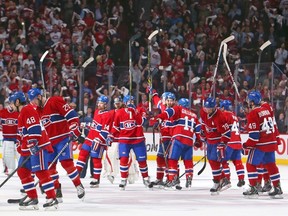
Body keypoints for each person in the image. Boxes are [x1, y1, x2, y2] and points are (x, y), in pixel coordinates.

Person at [27, 88, 85, 201]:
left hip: (62, 139)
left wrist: (74, 130)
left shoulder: (55, 101)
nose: (32, 103)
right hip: (49, 143)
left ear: (39, 97)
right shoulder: (37, 111)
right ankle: (57, 189)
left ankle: (78, 185)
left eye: (33, 100)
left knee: (66, 164)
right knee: (49, 168)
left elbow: (72, 116)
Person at [10, 91, 58, 210]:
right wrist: (20, 144)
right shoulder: (21, 113)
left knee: (40, 171)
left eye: (11, 103)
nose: (10, 106)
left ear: (17, 102)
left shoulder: (27, 110)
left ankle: (52, 198)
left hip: (38, 145)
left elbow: (35, 128)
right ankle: (32, 197)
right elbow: (23, 132)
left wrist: (33, 144)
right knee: (22, 171)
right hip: (29, 147)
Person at [153, 96, 202, 190]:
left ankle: (171, 180)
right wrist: (199, 141)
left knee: (172, 159)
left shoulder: (178, 108)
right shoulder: (194, 115)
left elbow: (169, 112)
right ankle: (189, 179)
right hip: (189, 140)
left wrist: (159, 118)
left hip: (178, 138)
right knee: (188, 161)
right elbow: (199, 129)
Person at [243, 91, 283, 199]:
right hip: (271, 142)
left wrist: (246, 145)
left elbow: (254, 137)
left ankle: (253, 188)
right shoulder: (267, 108)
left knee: (250, 164)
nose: (247, 102)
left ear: (251, 102)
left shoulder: (253, 113)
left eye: (248, 100)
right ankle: (277, 188)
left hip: (261, 144)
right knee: (271, 165)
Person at [107, 95, 150, 190]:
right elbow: (116, 127)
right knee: (123, 160)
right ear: (125, 103)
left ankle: (146, 178)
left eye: (132, 101)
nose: (131, 103)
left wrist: (135, 112)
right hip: (124, 140)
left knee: (142, 161)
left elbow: (141, 122)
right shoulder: (119, 112)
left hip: (138, 139)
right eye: (129, 102)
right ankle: (123, 179)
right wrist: (111, 136)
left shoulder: (139, 110)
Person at [76, 95, 114, 188]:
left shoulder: (108, 115)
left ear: (105, 105)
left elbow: (105, 130)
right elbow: (95, 125)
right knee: (82, 155)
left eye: (101, 103)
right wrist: (87, 125)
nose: (99, 104)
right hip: (89, 139)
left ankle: (96, 179)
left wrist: (99, 139)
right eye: (98, 102)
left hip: (98, 141)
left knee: (96, 160)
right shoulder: (97, 112)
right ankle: (76, 175)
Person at [200, 97, 231, 195]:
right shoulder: (203, 112)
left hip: (217, 141)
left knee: (214, 160)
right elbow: (204, 124)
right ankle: (222, 179)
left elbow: (227, 133)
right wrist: (203, 133)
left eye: (209, 108)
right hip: (209, 141)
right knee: (212, 160)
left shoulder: (220, 117)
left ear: (214, 108)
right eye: (206, 107)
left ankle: (218, 182)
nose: (207, 110)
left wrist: (222, 144)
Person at [219, 100, 245, 187]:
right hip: (237, 141)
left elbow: (222, 128)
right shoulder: (235, 116)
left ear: (223, 107)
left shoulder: (223, 115)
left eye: (221, 107)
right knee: (238, 162)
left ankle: (226, 178)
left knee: (223, 160)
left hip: (229, 142)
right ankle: (241, 178)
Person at [0, 94, 19, 175]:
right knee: (7, 156)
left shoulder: (19, 113)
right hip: (7, 139)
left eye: (11, 103)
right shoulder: (2, 113)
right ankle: (8, 168)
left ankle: (27, 170)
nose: (9, 105)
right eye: (8, 103)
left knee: (21, 157)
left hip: (18, 139)